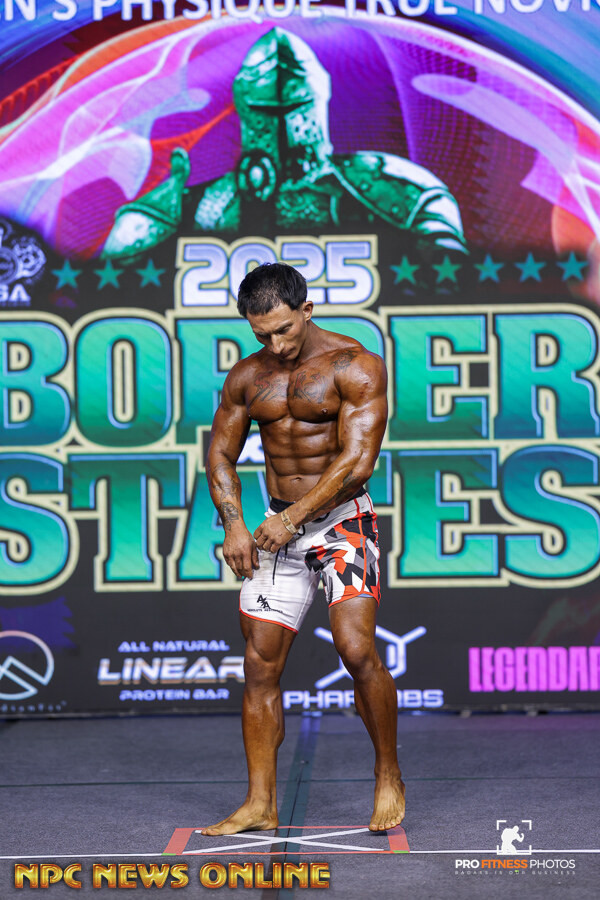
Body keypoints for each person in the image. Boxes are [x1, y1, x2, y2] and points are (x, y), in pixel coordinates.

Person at [203, 262, 404, 836]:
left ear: (307, 310)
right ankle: (259, 802)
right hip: (275, 526)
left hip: (341, 522)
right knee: (259, 663)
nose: (275, 344)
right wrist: (234, 526)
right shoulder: (248, 377)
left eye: (284, 330)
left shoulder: (355, 365)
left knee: (356, 650)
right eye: (262, 334)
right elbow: (220, 455)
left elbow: (357, 463)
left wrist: (292, 520)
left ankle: (387, 772)